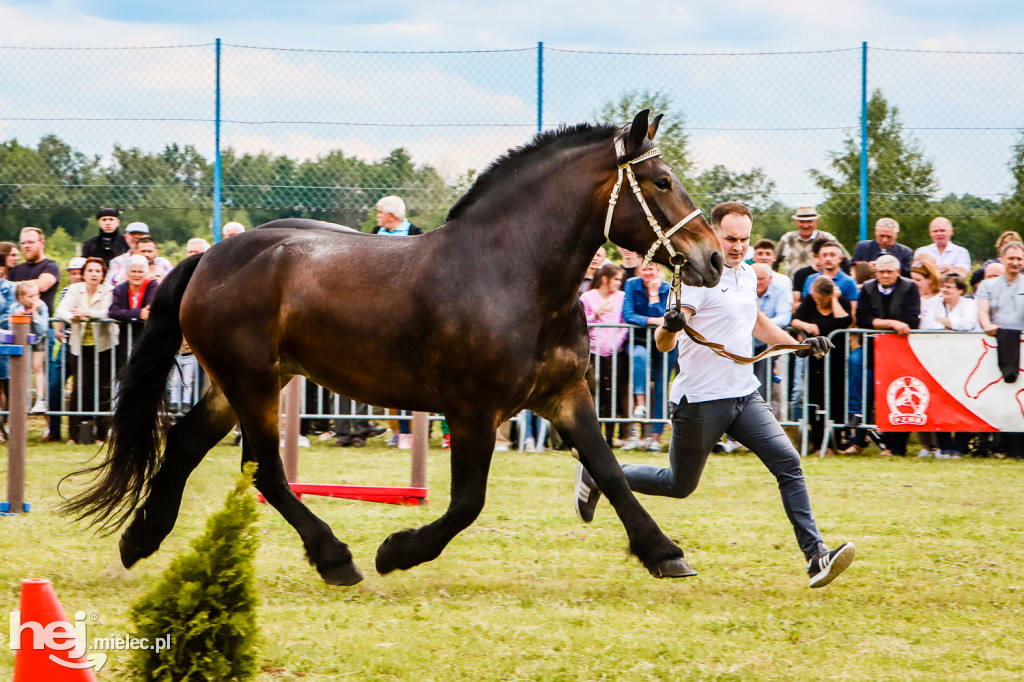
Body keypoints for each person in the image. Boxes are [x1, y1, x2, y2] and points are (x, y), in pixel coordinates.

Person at [574, 200, 855, 588]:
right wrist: (671, 325)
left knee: (788, 464)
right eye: (730, 238)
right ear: (712, 233)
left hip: (744, 394)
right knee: (678, 484)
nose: (738, 246)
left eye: (744, 239)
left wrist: (800, 346)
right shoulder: (696, 278)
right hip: (700, 402)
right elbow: (663, 344)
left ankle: (816, 557)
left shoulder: (743, 275)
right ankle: (600, 473)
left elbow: (756, 322)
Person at [844, 255, 921, 456]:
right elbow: (862, 319)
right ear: (875, 272)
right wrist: (892, 324)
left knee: (896, 392)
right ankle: (857, 435)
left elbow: (911, 320)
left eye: (889, 272)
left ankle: (895, 447)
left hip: (900, 351)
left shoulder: (910, 287)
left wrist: (880, 323)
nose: (885, 275)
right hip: (871, 348)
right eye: (881, 272)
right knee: (856, 365)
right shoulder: (868, 288)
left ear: (897, 272)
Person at [55, 257, 116, 445]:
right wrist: (73, 316)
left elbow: (108, 311)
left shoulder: (109, 290)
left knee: (104, 389)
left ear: (103, 274)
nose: (94, 274)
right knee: (79, 389)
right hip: (79, 347)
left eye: (98, 271)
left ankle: (102, 435)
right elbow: (60, 310)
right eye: (90, 270)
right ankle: (73, 435)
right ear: (84, 273)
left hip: (103, 346)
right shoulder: (74, 290)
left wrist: (86, 314)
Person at [920, 272, 980, 459]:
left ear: (960, 290)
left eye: (949, 287)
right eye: (943, 286)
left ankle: (960, 447)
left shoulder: (969, 304)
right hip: (938, 359)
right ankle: (944, 446)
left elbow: (968, 324)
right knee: (940, 400)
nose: (944, 290)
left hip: (964, 358)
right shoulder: (933, 303)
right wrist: (950, 325)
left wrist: (944, 323)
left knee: (962, 401)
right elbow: (925, 324)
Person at [790, 277, 852, 451]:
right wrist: (806, 325)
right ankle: (818, 444)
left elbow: (844, 322)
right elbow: (794, 320)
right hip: (815, 360)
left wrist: (834, 299)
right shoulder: (810, 301)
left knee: (836, 399)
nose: (816, 300)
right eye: (814, 297)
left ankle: (835, 444)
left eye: (820, 298)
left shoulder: (842, 303)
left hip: (836, 360)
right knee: (815, 399)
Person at [975, 241, 1024, 460]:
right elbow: (983, 311)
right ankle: (994, 445)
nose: (1015, 263)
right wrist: (987, 325)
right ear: (1002, 259)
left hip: (1020, 346)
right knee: (999, 398)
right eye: (1011, 258)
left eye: (1019, 259)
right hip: (995, 346)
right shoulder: (988, 286)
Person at [622, 261, 675, 451]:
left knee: (661, 386)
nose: (648, 272)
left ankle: (654, 438)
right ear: (639, 270)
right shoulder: (632, 285)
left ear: (658, 270)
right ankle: (640, 404)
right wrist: (653, 320)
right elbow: (628, 314)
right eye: (644, 268)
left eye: (651, 268)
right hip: (639, 341)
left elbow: (668, 317)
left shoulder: (668, 288)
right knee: (639, 356)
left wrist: (653, 297)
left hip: (664, 343)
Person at [581, 262, 629, 446]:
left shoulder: (622, 297)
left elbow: (625, 323)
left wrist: (618, 341)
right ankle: (593, 436)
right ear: (604, 279)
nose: (618, 283)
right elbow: (582, 322)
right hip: (593, 353)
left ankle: (609, 437)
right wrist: (596, 316)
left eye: (620, 280)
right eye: (616, 279)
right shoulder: (587, 298)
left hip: (614, 353)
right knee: (594, 392)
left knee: (611, 394)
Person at [7, 282, 50, 414]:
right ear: (21, 298)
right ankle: (21, 399)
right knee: (21, 369)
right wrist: (17, 318)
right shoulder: (15, 306)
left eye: (37, 295)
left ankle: (40, 400)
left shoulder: (42, 306)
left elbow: (43, 328)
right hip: (22, 340)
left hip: (39, 338)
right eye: (31, 296)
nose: (35, 299)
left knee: (38, 366)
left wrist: (35, 313)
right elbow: (10, 326)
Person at [108, 254, 159, 368]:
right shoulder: (120, 289)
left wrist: (126, 313)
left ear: (145, 273)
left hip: (147, 338)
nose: (137, 275)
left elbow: (149, 308)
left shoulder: (152, 286)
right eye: (133, 271)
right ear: (127, 273)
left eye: (140, 272)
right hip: (125, 340)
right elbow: (113, 311)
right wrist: (138, 313)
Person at [774, 206, 848, 275]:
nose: (805, 225)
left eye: (809, 221)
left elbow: (846, 261)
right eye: (802, 222)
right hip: (792, 287)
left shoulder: (828, 239)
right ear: (796, 222)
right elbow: (773, 261)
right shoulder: (787, 239)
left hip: (820, 286)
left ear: (816, 222)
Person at [802, 240, 860, 316]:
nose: (828, 259)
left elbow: (853, 312)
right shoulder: (811, 279)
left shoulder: (849, 282)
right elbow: (804, 307)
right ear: (819, 259)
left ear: (840, 259)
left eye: (832, 255)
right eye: (824, 255)